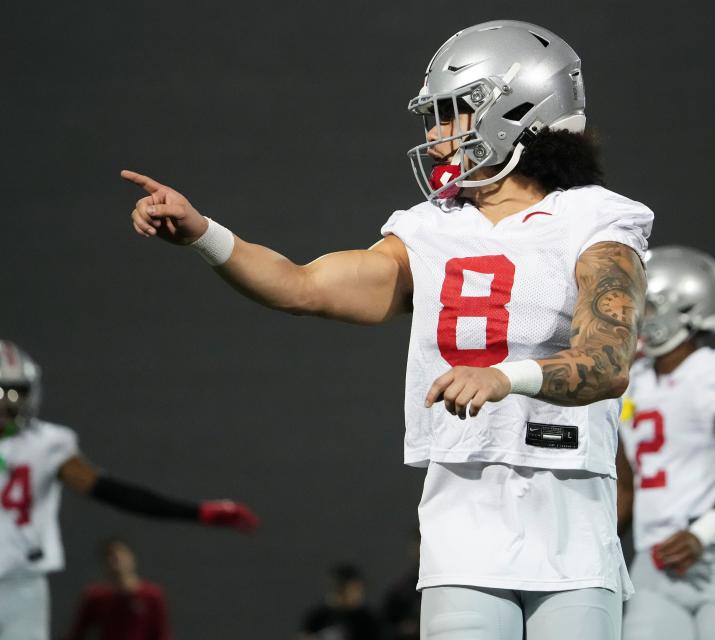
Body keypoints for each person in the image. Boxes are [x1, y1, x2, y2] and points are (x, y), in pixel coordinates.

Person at [123, 20, 653, 640]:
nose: (432, 136)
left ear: (517, 110)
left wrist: (504, 378)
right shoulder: (429, 229)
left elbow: (607, 361)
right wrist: (203, 233)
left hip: (571, 520)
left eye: (450, 114)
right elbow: (303, 286)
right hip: (463, 521)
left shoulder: (595, 217)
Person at [0, 339, 258, 640]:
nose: (6, 401)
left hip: (24, 587)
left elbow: (115, 493)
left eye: (15, 392)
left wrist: (196, 512)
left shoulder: (49, 445)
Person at [616, 247, 715, 640]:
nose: (638, 317)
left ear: (685, 308)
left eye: (648, 306)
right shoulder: (632, 382)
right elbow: (625, 486)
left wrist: (701, 534)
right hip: (652, 559)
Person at [66, 537, 170, 640]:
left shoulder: (151, 595)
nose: (117, 561)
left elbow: (161, 634)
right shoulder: (96, 597)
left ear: (132, 558)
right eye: (111, 557)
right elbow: (77, 634)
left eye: (121, 556)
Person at [300, 564, 381, 640]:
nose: (347, 595)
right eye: (341, 590)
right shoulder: (318, 616)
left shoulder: (368, 619)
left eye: (353, 590)